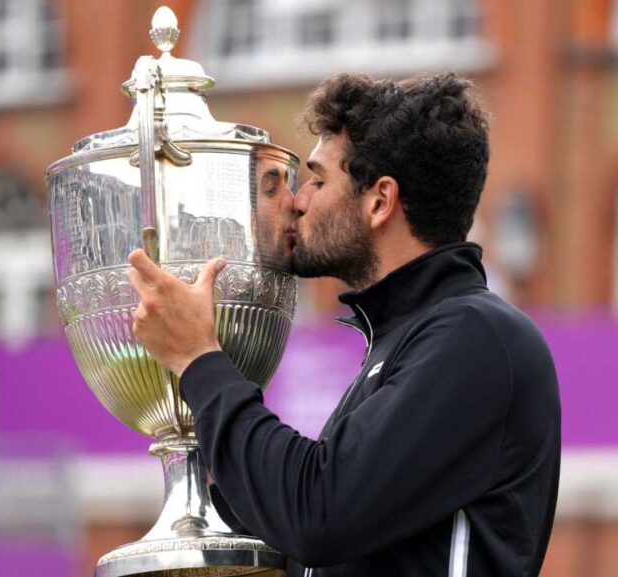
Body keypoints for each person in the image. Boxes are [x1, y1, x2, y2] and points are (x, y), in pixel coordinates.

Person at [127, 72, 561, 577]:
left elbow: (318, 513)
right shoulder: (404, 341)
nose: (298, 200)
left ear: (379, 201)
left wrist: (200, 360)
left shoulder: (478, 338)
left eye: (317, 179)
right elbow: (317, 533)